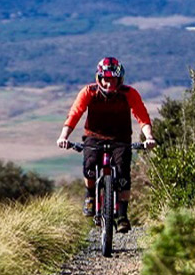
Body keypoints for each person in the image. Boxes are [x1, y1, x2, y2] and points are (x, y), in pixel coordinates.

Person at [56, 57, 156, 233]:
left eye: (113, 79)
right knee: (90, 165)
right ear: (99, 78)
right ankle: (90, 196)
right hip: (94, 136)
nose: (109, 84)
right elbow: (74, 114)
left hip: (121, 137)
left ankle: (123, 215)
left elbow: (142, 116)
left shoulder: (129, 93)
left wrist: (149, 137)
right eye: (106, 79)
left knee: (124, 172)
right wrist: (64, 136)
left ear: (120, 79)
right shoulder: (89, 92)